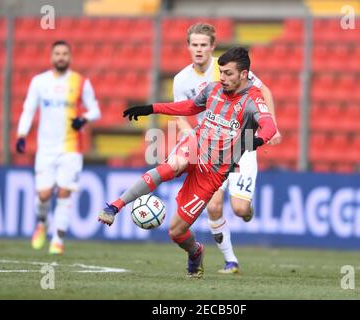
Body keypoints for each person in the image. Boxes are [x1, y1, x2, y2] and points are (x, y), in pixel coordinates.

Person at [98, 47, 277, 278]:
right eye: (221, 72)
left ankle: (195, 252)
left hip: (213, 172)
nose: (222, 78)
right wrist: (151, 108)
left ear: (244, 75)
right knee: (172, 165)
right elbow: (189, 107)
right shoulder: (213, 89)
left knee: (176, 232)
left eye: (228, 74)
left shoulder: (252, 100)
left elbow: (269, 125)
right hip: (195, 147)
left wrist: (258, 140)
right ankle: (114, 206)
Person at [173, 22, 282, 274]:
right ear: (188, 47)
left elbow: (263, 89)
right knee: (213, 205)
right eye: (194, 45)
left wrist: (271, 124)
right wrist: (187, 133)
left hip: (242, 144)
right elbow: (180, 113)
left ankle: (247, 209)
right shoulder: (181, 80)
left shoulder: (227, 68)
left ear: (212, 47)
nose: (198, 49)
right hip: (210, 150)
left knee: (240, 209)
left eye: (203, 45)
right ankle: (230, 261)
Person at [16, 40, 101, 255]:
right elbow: (28, 109)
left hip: (71, 147)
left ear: (69, 57)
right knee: (44, 195)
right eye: (57, 53)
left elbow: (96, 110)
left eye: (64, 53)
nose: (61, 57)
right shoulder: (39, 82)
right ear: (52, 57)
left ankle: (58, 238)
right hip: (46, 149)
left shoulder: (80, 82)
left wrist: (84, 118)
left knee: (64, 192)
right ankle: (43, 222)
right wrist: (22, 134)